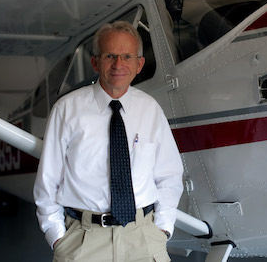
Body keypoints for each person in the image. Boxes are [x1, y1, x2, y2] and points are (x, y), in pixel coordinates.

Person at [33, 21, 184, 262]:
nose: (118, 64)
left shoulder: (151, 110)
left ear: (139, 64)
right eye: (110, 56)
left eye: (127, 56)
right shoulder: (66, 110)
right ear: (95, 62)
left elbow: (170, 175)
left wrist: (162, 228)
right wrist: (57, 236)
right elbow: (48, 181)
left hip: (142, 239)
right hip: (83, 241)